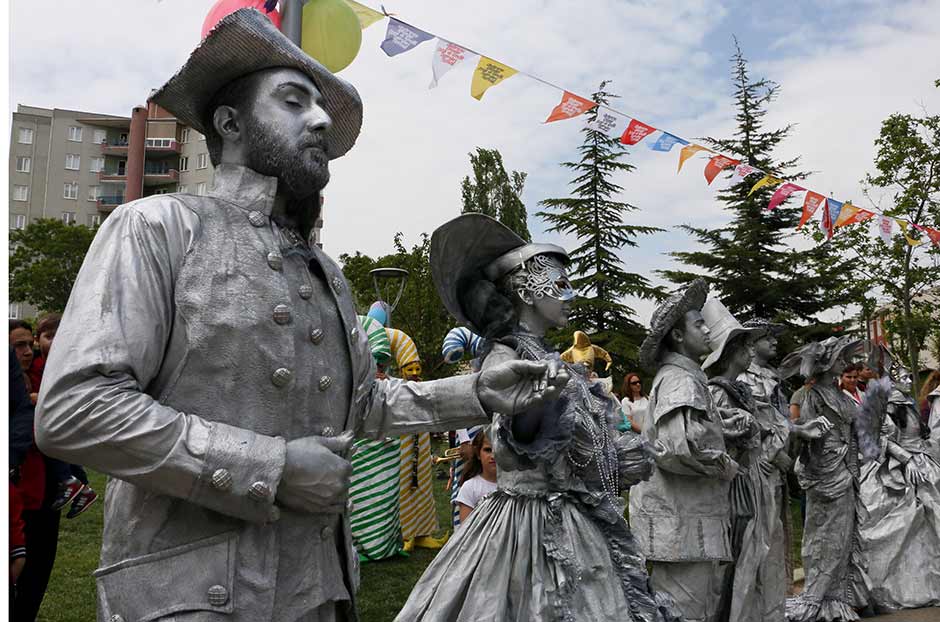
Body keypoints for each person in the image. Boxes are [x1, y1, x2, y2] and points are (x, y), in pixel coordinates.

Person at [35, 11, 565, 622]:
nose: (319, 120)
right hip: (189, 598)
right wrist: (273, 470)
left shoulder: (327, 271)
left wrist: (475, 392)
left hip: (322, 592)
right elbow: (77, 409)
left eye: (320, 106)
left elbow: (361, 406)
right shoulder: (158, 228)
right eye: (293, 101)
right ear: (230, 123)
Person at [396, 213, 678, 622]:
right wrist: (534, 412)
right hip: (524, 528)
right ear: (528, 292)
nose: (571, 296)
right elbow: (513, 438)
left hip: (573, 515)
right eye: (561, 285)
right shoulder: (506, 356)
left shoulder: (550, 358)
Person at [629, 279, 739, 622]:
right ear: (677, 336)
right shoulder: (679, 380)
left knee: (696, 608)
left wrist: (723, 429)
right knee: (685, 611)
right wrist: (725, 461)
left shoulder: (684, 377)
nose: (707, 329)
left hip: (690, 523)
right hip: (681, 526)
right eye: (698, 323)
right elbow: (678, 448)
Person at [701, 300, 782, 622]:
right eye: (745, 346)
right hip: (737, 484)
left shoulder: (739, 390)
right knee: (737, 555)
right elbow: (714, 437)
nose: (751, 352)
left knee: (754, 553)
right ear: (730, 351)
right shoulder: (718, 392)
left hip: (752, 481)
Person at [781, 336, 871, 621]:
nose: (845, 363)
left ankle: (836, 597)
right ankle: (817, 596)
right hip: (825, 473)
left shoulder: (839, 394)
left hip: (846, 470)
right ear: (828, 363)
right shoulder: (813, 395)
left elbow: (858, 424)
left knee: (842, 536)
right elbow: (808, 436)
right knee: (823, 537)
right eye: (840, 359)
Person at [856, 351, 940, 613]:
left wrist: (923, 456)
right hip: (896, 469)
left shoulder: (907, 402)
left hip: (923, 464)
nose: (906, 380)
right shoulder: (883, 402)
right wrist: (906, 459)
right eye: (900, 376)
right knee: (900, 521)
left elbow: (922, 434)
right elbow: (878, 438)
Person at [453, 430, 497, 525]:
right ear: (478, 454)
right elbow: (464, 528)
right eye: (488, 450)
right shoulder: (470, 487)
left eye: (498, 450)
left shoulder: (516, 487)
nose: (493, 456)